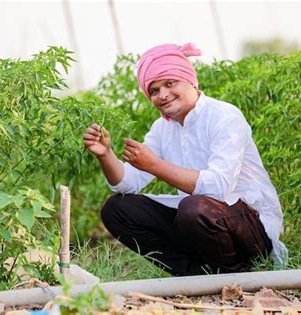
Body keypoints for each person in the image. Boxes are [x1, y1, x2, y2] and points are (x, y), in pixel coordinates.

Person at [82, 43, 287, 276]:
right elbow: (128, 183)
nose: (163, 95)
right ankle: (194, 275)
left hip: (250, 229)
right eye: (154, 90)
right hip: (202, 222)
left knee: (193, 207)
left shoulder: (224, 116)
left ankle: (239, 272)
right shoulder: (162, 128)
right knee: (117, 208)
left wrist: (155, 165)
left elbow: (218, 188)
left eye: (170, 83)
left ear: (190, 79)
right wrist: (105, 155)